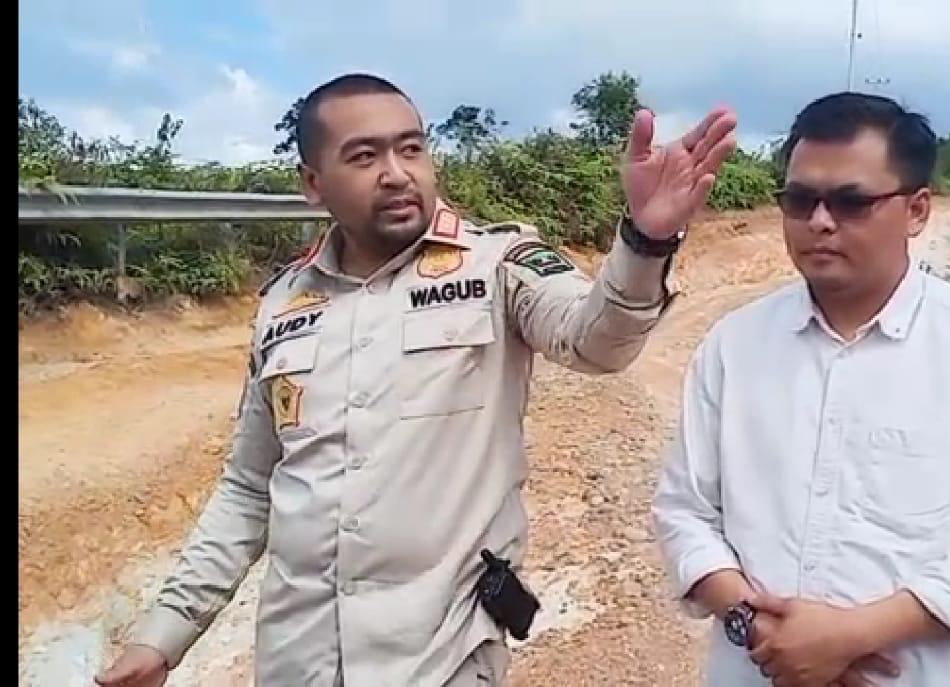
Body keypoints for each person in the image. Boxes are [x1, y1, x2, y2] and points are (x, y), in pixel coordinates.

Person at [96, 73, 737, 687]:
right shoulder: (284, 303)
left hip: (440, 655)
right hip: (297, 659)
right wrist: (164, 634)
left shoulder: (498, 264)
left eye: (411, 148)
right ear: (313, 183)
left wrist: (646, 241)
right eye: (364, 156)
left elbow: (596, 341)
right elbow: (249, 488)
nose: (397, 172)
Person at [652, 92, 950, 687]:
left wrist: (853, 636)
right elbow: (685, 510)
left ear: (917, 210)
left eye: (851, 202)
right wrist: (756, 626)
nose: (820, 221)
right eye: (800, 200)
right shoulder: (733, 346)